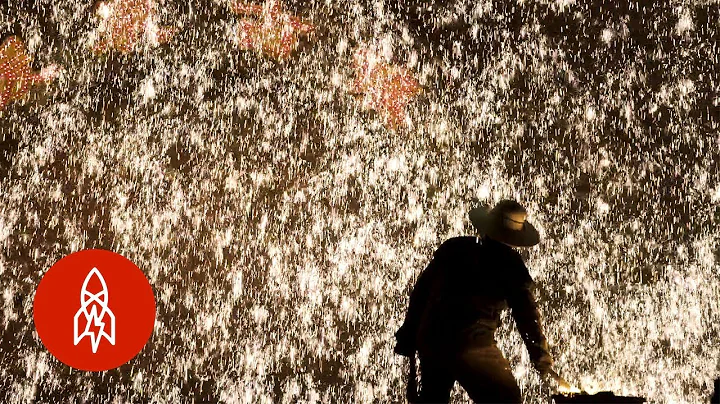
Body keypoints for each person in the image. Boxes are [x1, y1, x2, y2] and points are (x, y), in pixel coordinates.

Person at [394, 199, 570, 403]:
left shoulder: (454, 247)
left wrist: (408, 332)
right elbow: (527, 316)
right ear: (515, 235)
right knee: (507, 400)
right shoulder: (511, 265)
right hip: (472, 344)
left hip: (431, 338)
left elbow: (421, 291)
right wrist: (542, 361)